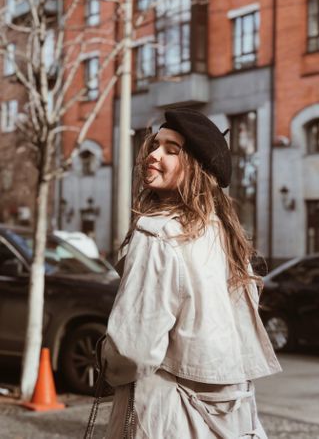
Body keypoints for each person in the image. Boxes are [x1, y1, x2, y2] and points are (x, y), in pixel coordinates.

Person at [101, 108, 282, 439]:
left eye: (172, 151)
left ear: (196, 169)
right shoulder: (227, 236)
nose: (153, 155)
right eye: (155, 145)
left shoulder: (157, 235)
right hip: (231, 414)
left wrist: (107, 364)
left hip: (166, 414)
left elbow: (132, 348)